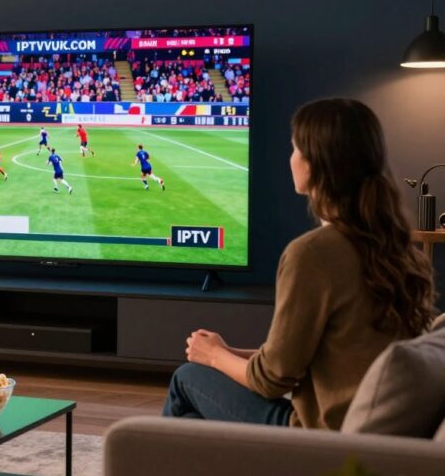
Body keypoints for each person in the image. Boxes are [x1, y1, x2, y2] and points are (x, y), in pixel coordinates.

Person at [162, 98, 437, 430]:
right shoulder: (399, 246)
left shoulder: (313, 254)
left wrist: (213, 356)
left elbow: (272, 380)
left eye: (294, 148)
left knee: (188, 377)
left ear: (314, 163)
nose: (290, 158)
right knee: (195, 413)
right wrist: (227, 351)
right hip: (371, 427)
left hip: (318, 435)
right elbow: (302, 359)